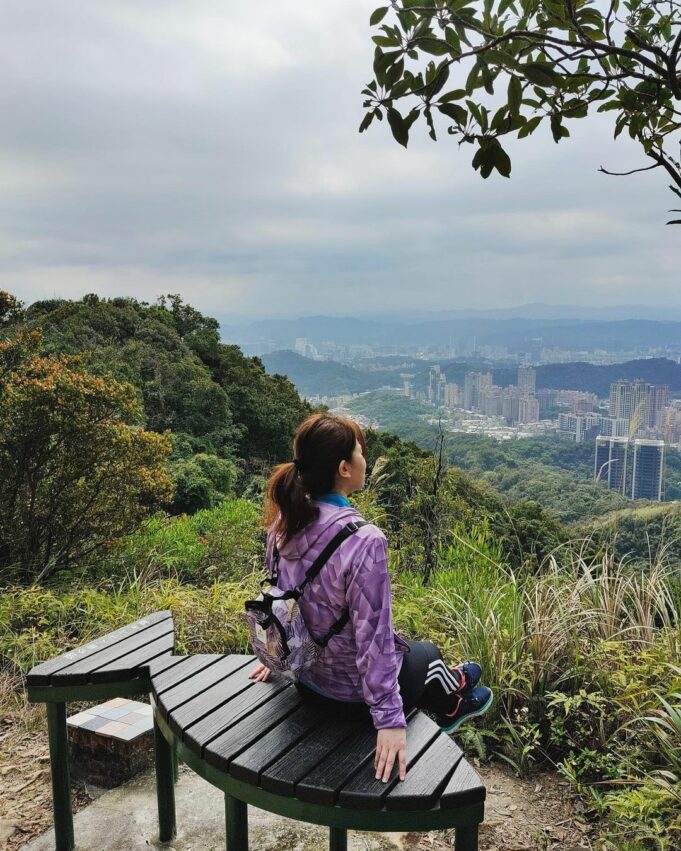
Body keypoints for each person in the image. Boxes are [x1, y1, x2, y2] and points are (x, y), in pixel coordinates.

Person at [248, 412, 493, 783]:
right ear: (344, 468)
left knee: (423, 659)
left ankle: (457, 687)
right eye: (361, 453)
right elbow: (373, 641)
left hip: (307, 682)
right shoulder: (364, 541)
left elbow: (280, 597)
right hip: (349, 698)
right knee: (428, 654)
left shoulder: (284, 521)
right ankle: (452, 701)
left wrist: (279, 655)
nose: (365, 459)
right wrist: (389, 722)